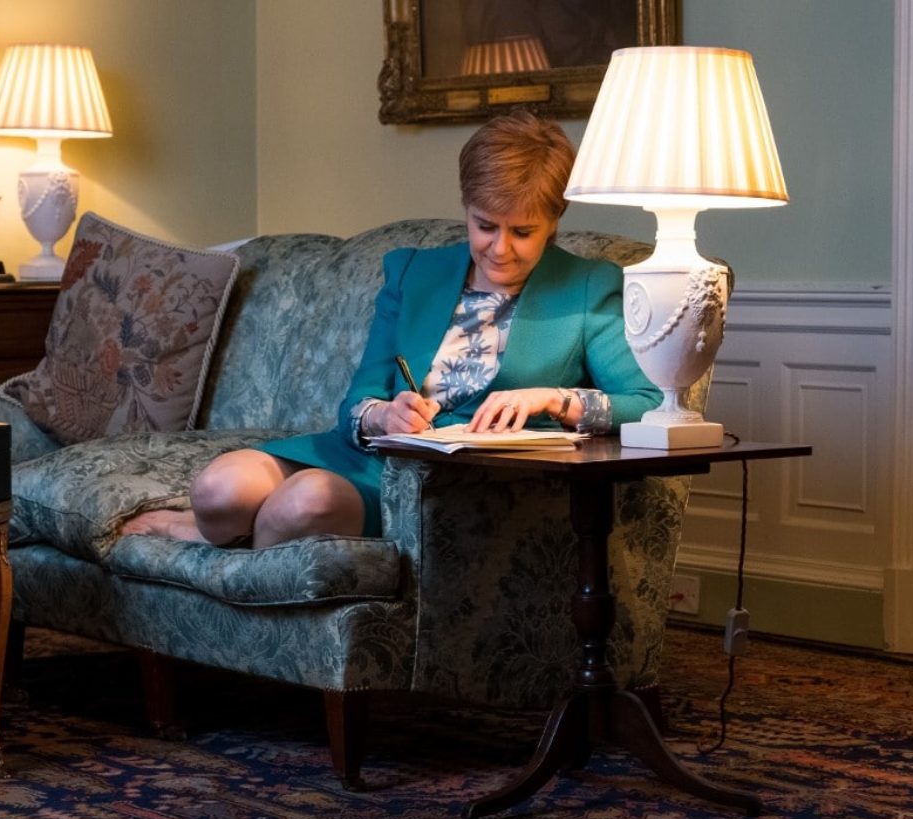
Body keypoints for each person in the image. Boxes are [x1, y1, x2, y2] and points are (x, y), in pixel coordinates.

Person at [123, 110, 660, 548]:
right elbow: (359, 398)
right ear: (466, 209)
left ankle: (230, 549)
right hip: (370, 452)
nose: (500, 248)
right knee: (218, 488)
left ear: (554, 220)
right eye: (484, 225)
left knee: (301, 504)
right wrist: (382, 414)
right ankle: (211, 530)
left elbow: (649, 403)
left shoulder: (587, 286)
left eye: (523, 232)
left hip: (445, 482)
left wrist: (554, 399)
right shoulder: (413, 272)